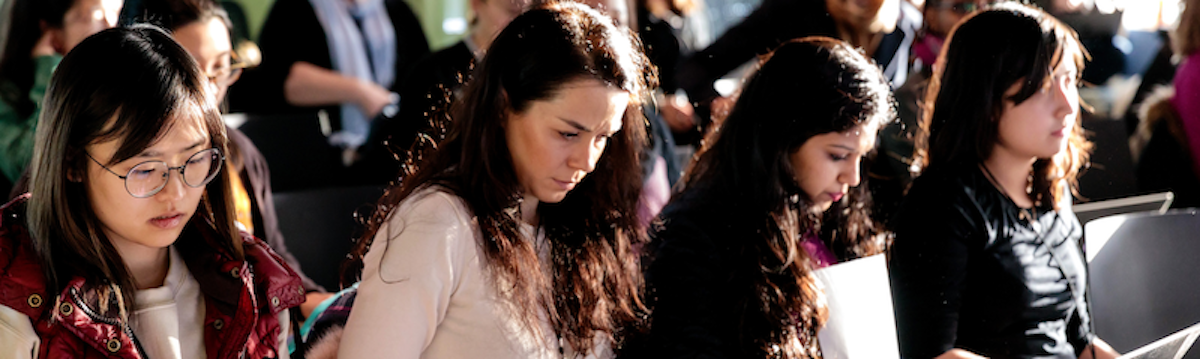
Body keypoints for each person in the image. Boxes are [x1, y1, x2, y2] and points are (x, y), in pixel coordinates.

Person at [335, 2, 653, 358]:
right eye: (567, 134)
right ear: (503, 108)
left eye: (602, 137)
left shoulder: (581, 224)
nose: (588, 161)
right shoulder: (437, 223)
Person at [0, 25, 302, 358]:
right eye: (144, 169)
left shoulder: (249, 280)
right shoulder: (15, 294)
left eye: (195, 160)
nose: (175, 193)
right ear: (72, 163)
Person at [888, 3, 1119, 358]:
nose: (1068, 106)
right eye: (1044, 85)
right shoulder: (941, 204)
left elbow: (1079, 340)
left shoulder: (1049, 192)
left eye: (1069, 80)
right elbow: (932, 353)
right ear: (988, 97)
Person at [639, 36, 893, 358]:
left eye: (862, 156)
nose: (853, 178)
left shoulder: (833, 215)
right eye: (837, 155)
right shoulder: (698, 235)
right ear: (783, 137)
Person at [137, 0, 332, 315]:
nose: (210, 87)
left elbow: (275, 262)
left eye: (221, 67)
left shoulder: (239, 150)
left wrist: (335, 306)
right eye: (192, 70)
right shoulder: (133, 160)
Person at [228, 0, 430, 167]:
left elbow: (423, 78)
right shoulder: (294, 8)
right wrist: (361, 92)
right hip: (317, 158)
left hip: (390, 154)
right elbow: (277, 83)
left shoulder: (397, 10)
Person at [0, 0, 122, 196]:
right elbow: (25, 167)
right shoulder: (6, 93)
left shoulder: (117, 80)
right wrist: (49, 75)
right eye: (95, 16)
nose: (111, 26)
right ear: (50, 32)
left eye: (115, 11)